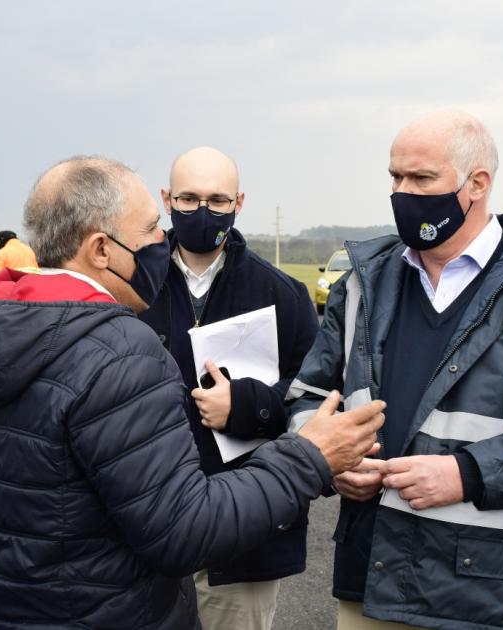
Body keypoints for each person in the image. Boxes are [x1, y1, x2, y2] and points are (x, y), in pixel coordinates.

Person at [0, 156, 386, 630]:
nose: (160, 240)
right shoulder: (119, 348)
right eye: (151, 227)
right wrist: (308, 456)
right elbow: (182, 530)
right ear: (101, 250)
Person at [287, 110, 503, 629]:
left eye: (421, 179)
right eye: (395, 178)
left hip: (498, 594)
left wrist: (467, 474)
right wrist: (328, 459)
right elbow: (307, 396)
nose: (403, 192)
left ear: (477, 184)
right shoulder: (361, 282)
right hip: (371, 583)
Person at [137, 146, 318, 630]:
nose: (202, 211)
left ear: (239, 202)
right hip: (142, 530)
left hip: (243, 537)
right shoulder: (132, 286)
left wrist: (248, 405)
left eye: (217, 200)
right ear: (165, 198)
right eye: (188, 198)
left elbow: (318, 398)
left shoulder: (283, 294)